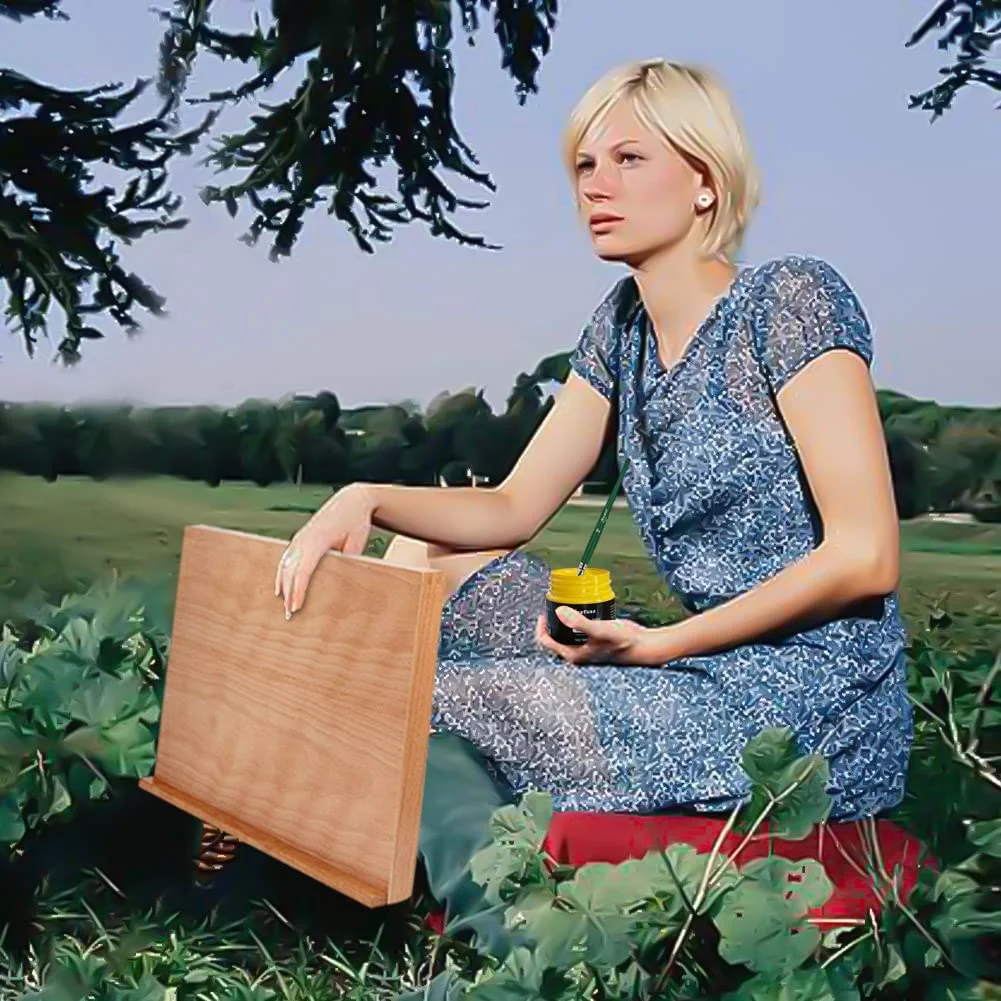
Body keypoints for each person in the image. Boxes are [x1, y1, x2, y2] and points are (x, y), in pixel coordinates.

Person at [274, 58, 912, 982]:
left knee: (418, 696)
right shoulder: (618, 327)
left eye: (627, 158)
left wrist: (660, 647)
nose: (595, 186)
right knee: (431, 553)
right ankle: (317, 810)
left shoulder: (789, 301)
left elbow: (867, 555)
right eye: (582, 164)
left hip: (803, 714)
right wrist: (358, 499)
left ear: (703, 180)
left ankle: (506, 948)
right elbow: (510, 508)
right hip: (692, 663)